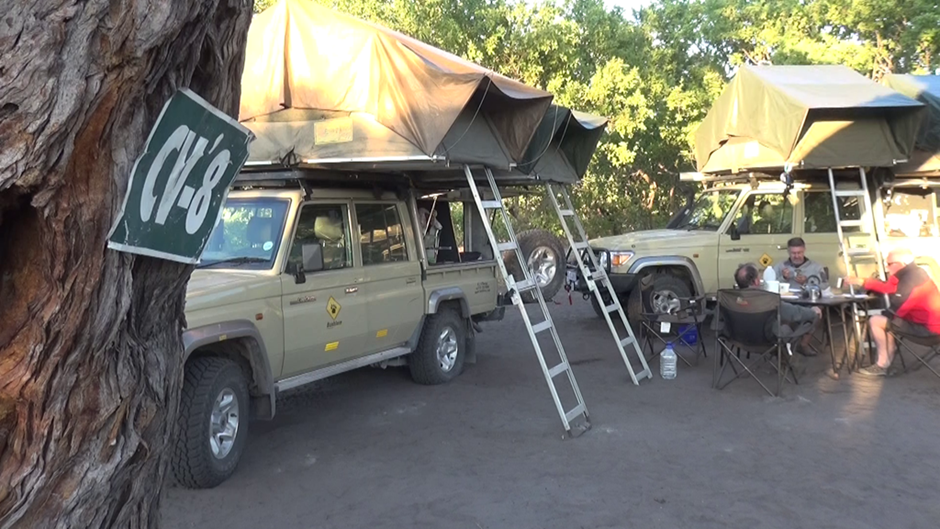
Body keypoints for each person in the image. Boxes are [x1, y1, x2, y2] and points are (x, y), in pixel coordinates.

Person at [843, 248, 940, 377]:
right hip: (929, 324)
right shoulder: (914, 272)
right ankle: (889, 354)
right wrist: (862, 281)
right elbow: (889, 287)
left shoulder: (910, 281)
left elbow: (898, 309)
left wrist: (884, 316)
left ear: (901, 264)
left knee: (876, 321)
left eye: (889, 264)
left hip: (929, 331)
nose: (886, 267)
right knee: (887, 322)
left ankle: (882, 364)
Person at [735, 263, 822, 345]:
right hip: (766, 340)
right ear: (756, 282)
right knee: (788, 325)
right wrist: (812, 312)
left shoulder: (732, 299)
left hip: (738, 338)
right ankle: (790, 353)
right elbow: (793, 313)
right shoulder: (767, 299)